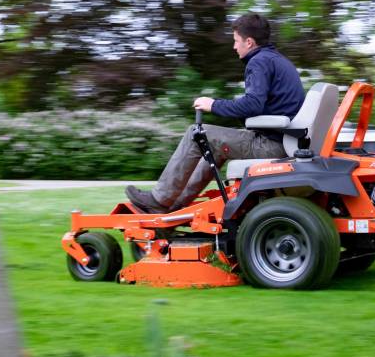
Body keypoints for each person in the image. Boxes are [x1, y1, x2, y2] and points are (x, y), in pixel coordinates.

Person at [126, 12, 305, 213]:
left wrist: (213, 105)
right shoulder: (278, 61)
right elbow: (263, 106)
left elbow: (253, 105)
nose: (234, 46)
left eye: (236, 41)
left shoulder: (259, 62)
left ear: (249, 42)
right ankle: (176, 204)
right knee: (213, 143)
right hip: (283, 141)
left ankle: (159, 199)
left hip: (271, 145)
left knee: (196, 133)